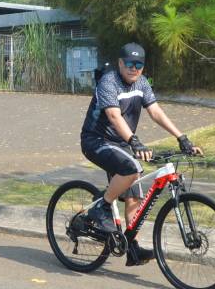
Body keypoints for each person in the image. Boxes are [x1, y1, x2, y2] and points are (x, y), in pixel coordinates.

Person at [80, 42, 203, 265]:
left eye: (138, 64)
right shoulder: (109, 82)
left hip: (122, 143)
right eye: (129, 63)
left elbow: (155, 111)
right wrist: (135, 141)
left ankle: (132, 248)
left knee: (135, 197)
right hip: (96, 140)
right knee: (132, 169)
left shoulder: (142, 83)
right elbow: (114, 116)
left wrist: (182, 138)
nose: (133, 68)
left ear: (143, 67)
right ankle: (102, 206)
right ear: (120, 63)